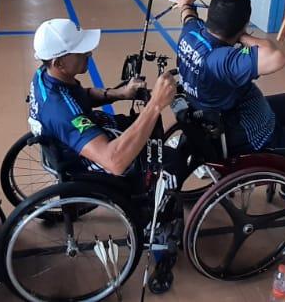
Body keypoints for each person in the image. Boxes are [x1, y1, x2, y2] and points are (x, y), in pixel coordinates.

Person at [27, 18, 185, 290]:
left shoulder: (48, 76)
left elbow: (82, 95)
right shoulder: (60, 110)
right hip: (87, 161)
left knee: (134, 124)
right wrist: (156, 105)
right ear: (59, 62)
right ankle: (157, 233)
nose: (89, 52)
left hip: (81, 136)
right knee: (170, 164)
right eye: (81, 51)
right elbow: (114, 161)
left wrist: (119, 93)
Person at [173, 0, 285, 170]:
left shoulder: (190, 32)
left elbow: (188, 14)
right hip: (252, 136)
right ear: (243, 24)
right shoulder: (223, 61)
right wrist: (242, 35)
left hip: (220, 118)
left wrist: (185, 4)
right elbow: (278, 56)